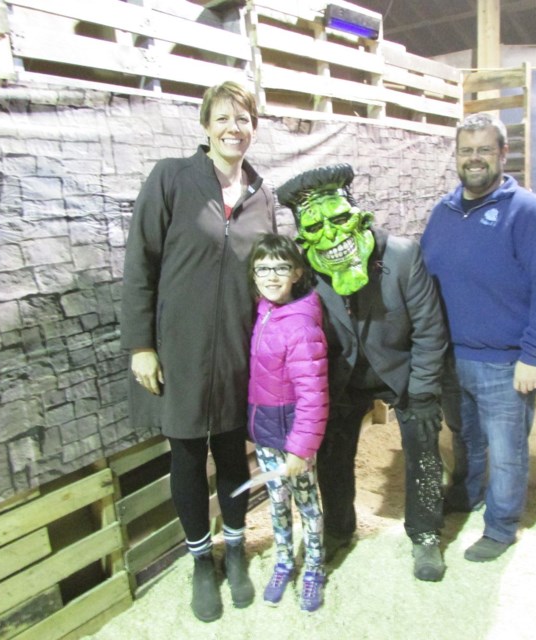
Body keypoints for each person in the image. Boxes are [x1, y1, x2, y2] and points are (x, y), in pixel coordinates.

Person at [120, 80, 276, 622]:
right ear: (206, 123)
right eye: (224, 117)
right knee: (186, 455)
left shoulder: (262, 196)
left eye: (245, 118)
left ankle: (234, 551)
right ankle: (199, 563)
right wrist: (142, 344)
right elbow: (141, 263)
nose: (235, 128)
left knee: (234, 452)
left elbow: (272, 277)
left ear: (255, 126)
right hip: (179, 350)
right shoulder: (171, 178)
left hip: (238, 349)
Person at [276, 164, 449, 582]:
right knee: (332, 453)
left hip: (402, 371)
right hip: (342, 377)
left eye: (339, 219)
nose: (333, 237)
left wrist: (423, 391)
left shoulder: (404, 257)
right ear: (303, 237)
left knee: (424, 444)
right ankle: (338, 527)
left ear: (359, 216)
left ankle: (425, 533)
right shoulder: (307, 271)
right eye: (316, 227)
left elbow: (429, 328)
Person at [421, 113, 536, 563]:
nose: (474, 159)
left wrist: (534, 353)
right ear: (456, 156)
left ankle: (502, 526)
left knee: (507, 450)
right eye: (466, 150)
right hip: (453, 356)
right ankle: (467, 494)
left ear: (503, 155)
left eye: (484, 150)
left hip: (507, 362)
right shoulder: (444, 211)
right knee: (464, 436)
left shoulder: (529, 213)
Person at [246, 233, 329, 612]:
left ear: (296, 272)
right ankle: (283, 560)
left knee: (306, 502)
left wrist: (300, 447)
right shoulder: (264, 311)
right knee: (276, 501)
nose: (271, 275)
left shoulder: (301, 325)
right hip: (265, 430)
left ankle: (313, 566)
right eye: (263, 268)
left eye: (280, 267)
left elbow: (313, 393)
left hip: (293, 434)